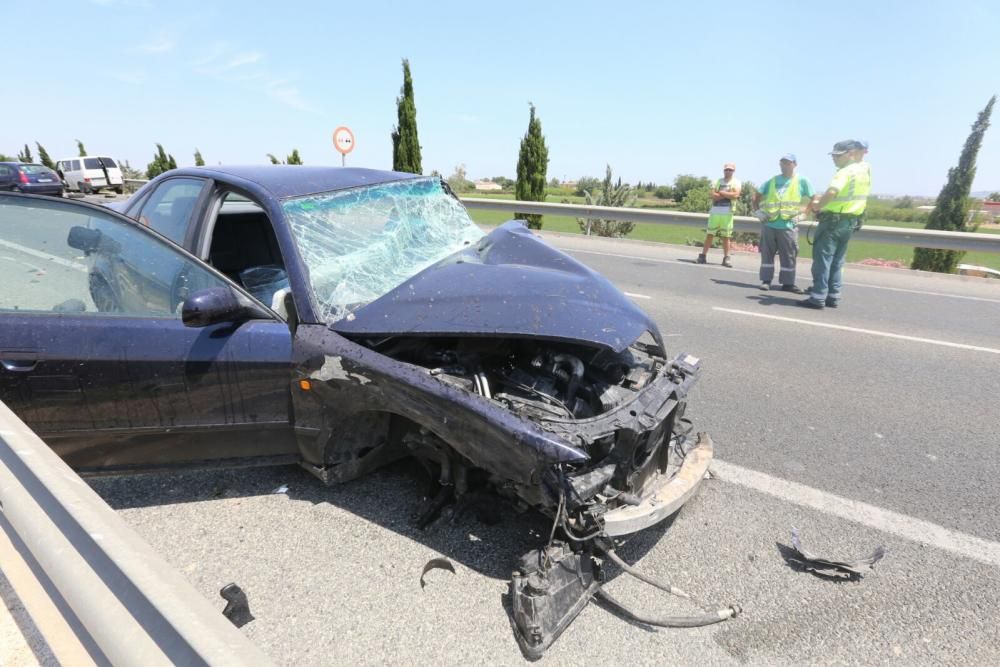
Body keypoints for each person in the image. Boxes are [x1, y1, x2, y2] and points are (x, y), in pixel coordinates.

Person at [799, 140, 871, 309]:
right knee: (838, 260)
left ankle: (818, 296)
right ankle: (833, 295)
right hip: (850, 221)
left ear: (849, 154)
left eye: (838, 155)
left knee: (822, 259)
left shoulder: (845, 172)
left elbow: (832, 191)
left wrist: (817, 206)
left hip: (832, 222)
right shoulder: (864, 170)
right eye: (833, 156)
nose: (834, 159)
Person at [752, 154, 814, 292]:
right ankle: (766, 281)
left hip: (788, 225)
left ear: (794, 164)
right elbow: (756, 196)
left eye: (787, 163)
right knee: (767, 254)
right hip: (770, 223)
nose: (784, 165)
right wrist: (758, 212)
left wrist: (805, 214)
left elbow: (814, 198)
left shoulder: (801, 181)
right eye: (782, 163)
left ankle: (788, 283)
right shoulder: (773, 180)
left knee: (789, 255)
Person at [697, 163, 741, 267]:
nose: (728, 172)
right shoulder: (717, 181)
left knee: (726, 236)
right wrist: (727, 194)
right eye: (726, 170)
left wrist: (720, 192)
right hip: (715, 211)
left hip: (728, 213)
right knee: (710, 234)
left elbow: (736, 195)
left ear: (733, 171)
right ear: (723, 171)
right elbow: (713, 196)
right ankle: (703, 256)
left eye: (730, 170)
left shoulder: (737, 182)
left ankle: (726, 259)